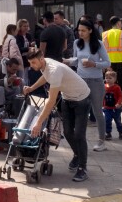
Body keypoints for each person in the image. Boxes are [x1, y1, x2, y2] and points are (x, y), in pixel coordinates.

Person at [23, 48, 92, 182]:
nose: (32, 66)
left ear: (41, 59)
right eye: (30, 63)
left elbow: (51, 101)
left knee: (79, 134)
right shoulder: (45, 65)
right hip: (68, 99)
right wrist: (32, 88)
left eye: (33, 62)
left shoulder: (54, 70)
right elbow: (45, 77)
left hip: (82, 99)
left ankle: (82, 168)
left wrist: (38, 123)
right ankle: (78, 155)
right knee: (67, 132)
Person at [65, 19, 111, 151]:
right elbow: (75, 60)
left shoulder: (98, 44)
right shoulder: (76, 43)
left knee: (97, 111)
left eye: (83, 30)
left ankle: (101, 141)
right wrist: (66, 61)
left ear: (90, 30)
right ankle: (80, 140)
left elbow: (107, 63)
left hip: (96, 81)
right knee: (80, 111)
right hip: (81, 80)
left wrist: (94, 64)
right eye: (79, 30)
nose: (80, 33)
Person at [102, 16, 122, 93]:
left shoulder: (104, 34)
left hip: (109, 62)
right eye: (120, 22)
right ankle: (119, 100)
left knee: (110, 81)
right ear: (118, 23)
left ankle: (110, 99)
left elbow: (104, 49)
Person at [102, 69, 122, 140]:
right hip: (107, 108)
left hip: (116, 109)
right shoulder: (104, 86)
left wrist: (119, 103)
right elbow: (102, 96)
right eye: (106, 78)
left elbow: (120, 96)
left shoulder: (117, 87)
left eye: (110, 78)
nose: (108, 80)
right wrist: (102, 104)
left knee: (118, 121)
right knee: (107, 120)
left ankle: (121, 132)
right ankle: (108, 133)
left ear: (115, 79)